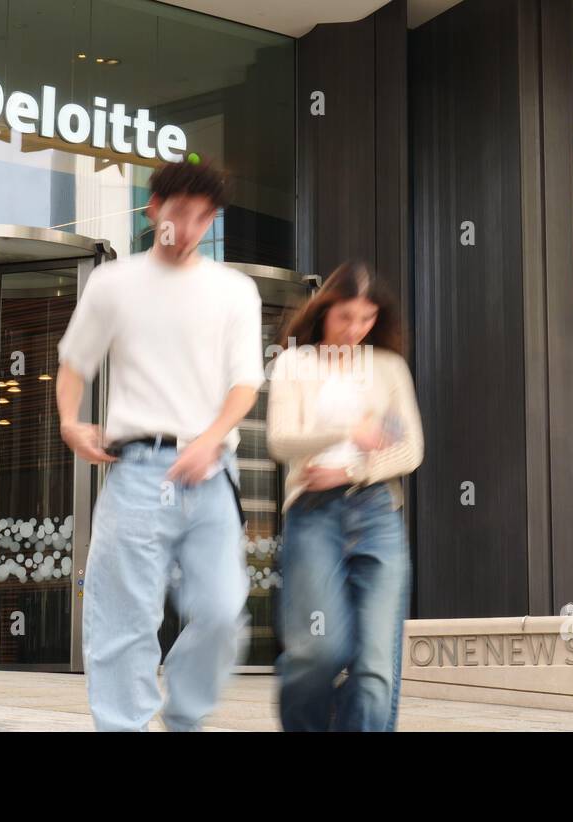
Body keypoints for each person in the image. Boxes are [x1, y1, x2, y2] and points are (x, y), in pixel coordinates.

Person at [55, 160, 263, 732]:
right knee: (123, 617)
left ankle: (184, 718)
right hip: (136, 469)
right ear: (153, 211)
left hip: (210, 469)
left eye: (203, 217)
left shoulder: (233, 291)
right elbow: (75, 365)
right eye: (179, 214)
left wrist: (210, 441)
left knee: (223, 611)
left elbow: (245, 384)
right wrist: (71, 422)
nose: (190, 227)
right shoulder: (114, 283)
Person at [266, 260, 423, 731]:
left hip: (378, 513)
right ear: (324, 311)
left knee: (375, 669)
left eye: (367, 319)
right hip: (313, 517)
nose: (355, 329)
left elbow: (411, 448)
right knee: (319, 649)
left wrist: (350, 468)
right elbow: (280, 441)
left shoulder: (389, 368)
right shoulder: (294, 362)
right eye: (345, 317)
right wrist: (349, 430)